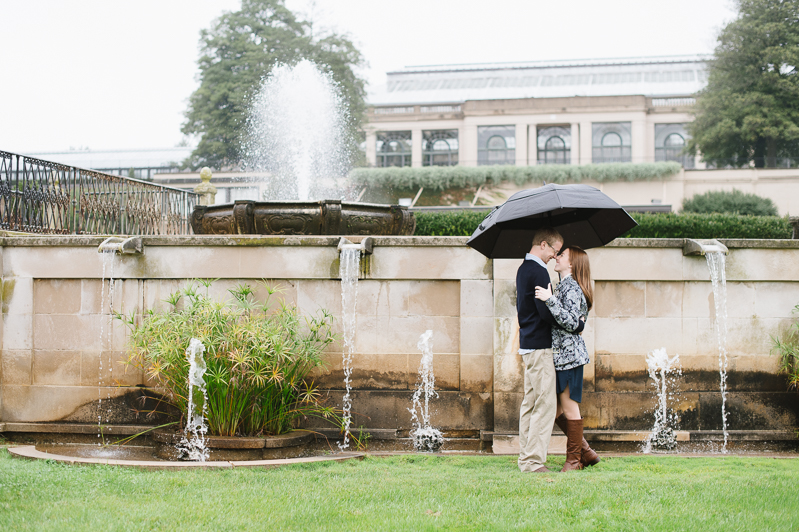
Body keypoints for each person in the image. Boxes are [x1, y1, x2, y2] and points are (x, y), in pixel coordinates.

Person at [515, 228, 584, 473]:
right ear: (543, 245)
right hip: (541, 346)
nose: (554, 257)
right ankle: (533, 462)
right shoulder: (539, 271)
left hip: (528, 345)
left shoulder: (523, 268)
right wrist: (573, 322)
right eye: (554, 251)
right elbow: (545, 312)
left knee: (530, 404)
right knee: (543, 406)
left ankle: (526, 458)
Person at [534, 245, 600, 472]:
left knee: (569, 410)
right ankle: (586, 453)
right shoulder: (564, 286)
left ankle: (573, 461)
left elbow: (573, 324)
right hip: (560, 357)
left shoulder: (572, 287)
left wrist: (550, 299)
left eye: (561, 255)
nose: (556, 257)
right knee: (556, 411)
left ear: (572, 263)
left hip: (569, 358)